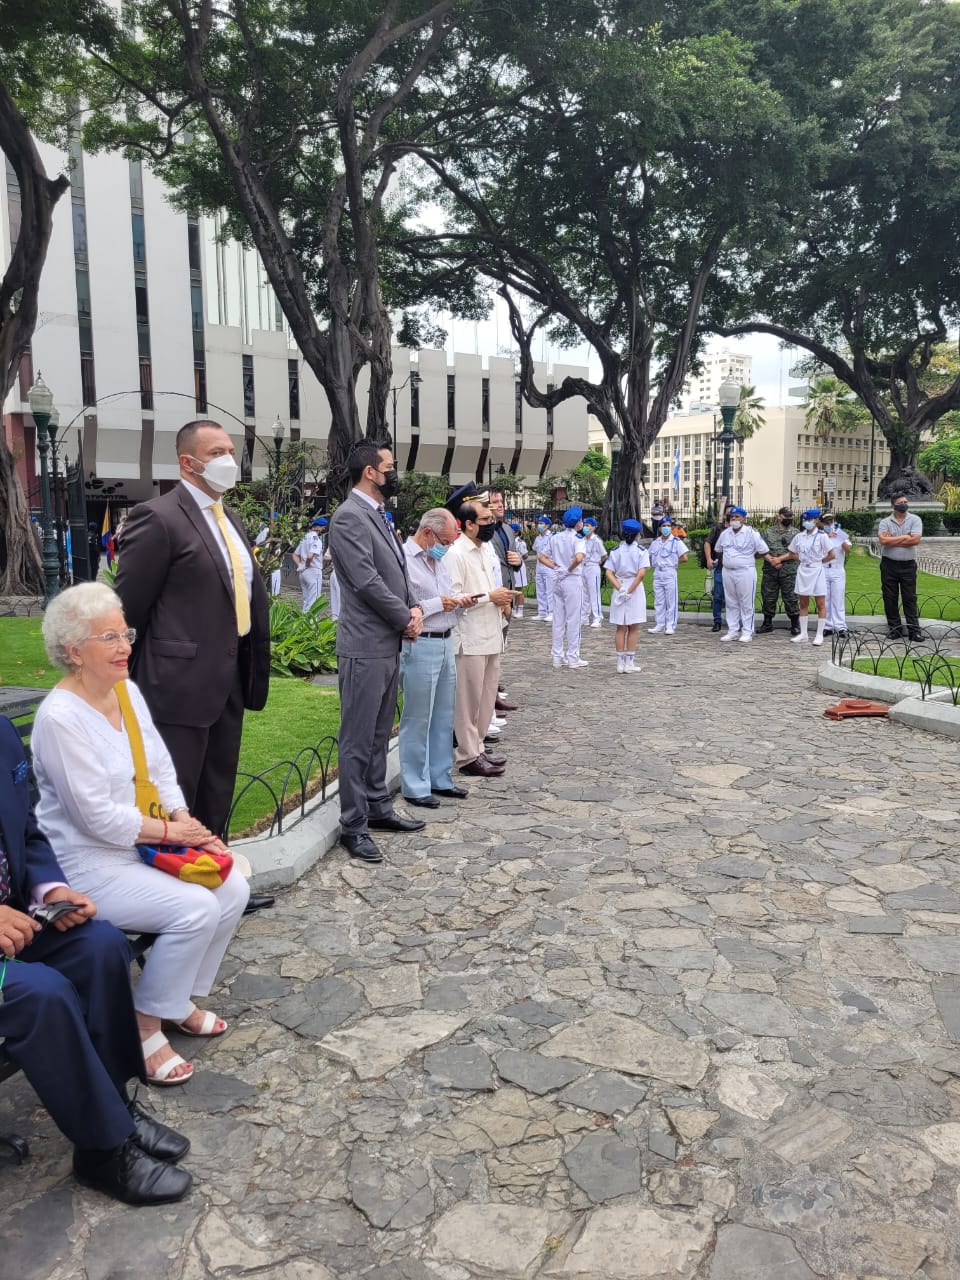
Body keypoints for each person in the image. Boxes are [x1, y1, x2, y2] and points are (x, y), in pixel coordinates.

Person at [30, 583, 250, 1088]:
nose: (125, 645)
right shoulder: (61, 719)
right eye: (109, 637)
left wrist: (185, 823)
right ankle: (144, 1022)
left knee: (232, 884)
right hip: (84, 863)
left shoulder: (123, 691)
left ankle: (173, 1001)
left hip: (139, 845)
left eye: (125, 632)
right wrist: (175, 832)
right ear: (74, 650)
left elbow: (159, 764)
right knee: (193, 909)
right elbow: (96, 819)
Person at [0, 716, 193, 1205]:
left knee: (101, 945)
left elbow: (26, 831)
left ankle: (114, 1107)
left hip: (15, 918)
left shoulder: (0, 732)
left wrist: (51, 888)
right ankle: (104, 1148)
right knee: (41, 994)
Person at [114, 420, 271, 839]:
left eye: (231, 451)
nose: (229, 461)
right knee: (175, 792)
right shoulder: (159, 517)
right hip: (176, 684)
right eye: (217, 453)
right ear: (188, 462)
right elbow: (128, 609)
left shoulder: (230, 519)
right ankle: (174, 882)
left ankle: (212, 874)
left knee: (217, 786)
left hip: (230, 677)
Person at [326, 442, 426, 864]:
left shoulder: (376, 514)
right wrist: (405, 616)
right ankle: (354, 823)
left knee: (381, 732)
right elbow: (366, 581)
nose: (393, 473)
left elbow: (395, 572)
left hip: (385, 641)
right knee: (357, 738)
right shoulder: (349, 516)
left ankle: (378, 806)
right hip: (366, 642)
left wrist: (414, 607)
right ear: (370, 472)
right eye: (389, 467)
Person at [398, 509, 474, 808]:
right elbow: (401, 604)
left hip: (445, 640)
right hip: (420, 642)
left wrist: (460, 603)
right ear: (427, 533)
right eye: (444, 539)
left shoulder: (439, 561)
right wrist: (435, 604)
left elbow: (447, 602)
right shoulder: (404, 559)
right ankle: (415, 784)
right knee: (418, 717)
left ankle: (440, 776)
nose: (447, 546)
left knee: (443, 715)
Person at [445, 500, 514, 777]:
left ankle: (480, 746)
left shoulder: (485, 550)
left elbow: (491, 584)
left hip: (491, 631)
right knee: (468, 701)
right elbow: (453, 598)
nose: (490, 523)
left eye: (491, 518)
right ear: (468, 524)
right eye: (484, 520)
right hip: (469, 637)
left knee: (487, 698)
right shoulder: (455, 554)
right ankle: (467, 755)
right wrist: (489, 598)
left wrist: (502, 598)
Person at [714, 508, 769, 643]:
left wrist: (750, 557)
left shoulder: (752, 533)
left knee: (746, 602)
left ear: (744, 519)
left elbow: (763, 550)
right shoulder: (725, 534)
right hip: (728, 571)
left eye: (737, 517)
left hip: (745, 570)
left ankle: (747, 631)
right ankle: (733, 630)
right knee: (731, 602)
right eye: (732, 517)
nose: (734, 519)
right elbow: (718, 549)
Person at [605, 519, 649, 673]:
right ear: (638, 534)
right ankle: (629, 662)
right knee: (633, 628)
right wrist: (630, 590)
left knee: (620, 628)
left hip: (620, 586)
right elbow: (641, 574)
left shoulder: (615, 551)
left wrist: (620, 588)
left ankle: (619, 663)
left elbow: (609, 572)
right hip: (634, 589)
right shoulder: (642, 551)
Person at [878, 494, 924, 640]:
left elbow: (915, 540)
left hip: (908, 565)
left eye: (905, 502)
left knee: (909, 598)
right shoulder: (885, 522)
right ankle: (895, 629)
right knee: (889, 597)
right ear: (893, 505)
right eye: (900, 502)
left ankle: (914, 631)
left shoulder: (915, 519)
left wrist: (892, 539)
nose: (903, 504)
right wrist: (905, 537)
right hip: (889, 564)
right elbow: (883, 541)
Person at [787, 508, 835, 645]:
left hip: (817, 570)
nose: (806, 522)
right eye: (805, 520)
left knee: (820, 603)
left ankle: (819, 634)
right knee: (803, 602)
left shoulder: (822, 536)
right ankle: (803, 633)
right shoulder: (799, 536)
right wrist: (802, 559)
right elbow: (791, 552)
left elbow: (832, 554)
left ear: (815, 521)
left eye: (809, 520)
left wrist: (819, 561)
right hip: (803, 570)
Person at [549, 507, 588, 669]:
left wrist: (556, 567)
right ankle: (573, 656)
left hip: (558, 578)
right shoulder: (578, 538)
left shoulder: (555, 537)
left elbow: (541, 556)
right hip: (571, 578)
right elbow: (579, 558)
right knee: (574, 618)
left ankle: (557, 656)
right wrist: (568, 569)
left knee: (558, 619)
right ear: (578, 522)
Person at [758, 507, 801, 636]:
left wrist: (779, 560)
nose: (788, 518)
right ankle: (767, 623)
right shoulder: (768, 532)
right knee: (768, 597)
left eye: (790, 516)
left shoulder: (796, 533)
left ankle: (795, 624)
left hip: (789, 570)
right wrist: (771, 560)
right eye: (785, 516)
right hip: (770, 570)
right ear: (779, 516)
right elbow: (761, 549)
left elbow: (796, 553)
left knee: (791, 597)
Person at [647, 518, 689, 635]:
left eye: (668, 525)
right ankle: (659, 624)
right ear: (660, 528)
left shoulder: (676, 541)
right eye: (664, 525)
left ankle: (670, 625)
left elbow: (684, 558)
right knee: (659, 600)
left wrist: (673, 563)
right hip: (657, 572)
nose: (666, 528)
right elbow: (649, 557)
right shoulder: (655, 543)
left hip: (669, 572)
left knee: (671, 600)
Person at [821, 512, 852, 636]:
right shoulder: (821, 535)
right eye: (826, 522)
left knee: (838, 598)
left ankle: (840, 626)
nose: (829, 524)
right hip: (824, 568)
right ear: (822, 524)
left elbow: (848, 549)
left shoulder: (841, 534)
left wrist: (840, 537)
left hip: (837, 568)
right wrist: (827, 536)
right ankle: (828, 626)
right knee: (826, 598)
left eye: (831, 521)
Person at [703, 507, 731, 632]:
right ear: (724, 515)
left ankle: (734, 622)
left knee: (734, 597)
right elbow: (708, 542)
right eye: (729, 513)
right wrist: (709, 559)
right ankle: (717, 621)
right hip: (720, 566)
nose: (732, 516)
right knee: (718, 595)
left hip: (735, 568)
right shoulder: (718, 529)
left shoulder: (742, 530)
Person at [293, 516, 328, 610]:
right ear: (319, 527)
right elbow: (310, 556)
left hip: (303, 572)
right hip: (313, 571)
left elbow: (295, 555)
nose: (323, 529)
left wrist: (300, 565)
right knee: (314, 601)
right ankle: (311, 623)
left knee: (306, 600)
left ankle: (303, 622)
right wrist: (307, 564)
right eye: (323, 527)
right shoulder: (316, 539)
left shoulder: (305, 537)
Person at [579, 517, 606, 627]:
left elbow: (604, 555)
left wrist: (598, 562)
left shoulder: (597, 540)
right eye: (584, 525)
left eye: (588, 525)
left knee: (594, 593)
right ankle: (584, 617)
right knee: (584, 594)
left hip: (593, 567)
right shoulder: (582, 540)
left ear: (593, 527)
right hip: (583, 567)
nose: (585, 528)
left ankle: (598, 617)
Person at [533, 516, 556, 620]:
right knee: (540, 589)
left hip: (549, 566)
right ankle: (542, 611)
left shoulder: (552, 537)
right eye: (539, 523)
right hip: (539, 567)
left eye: (542, 524)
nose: (540, 526)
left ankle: (551, 612)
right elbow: (535, 550)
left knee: (550, 590)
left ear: (547, 525)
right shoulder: (538, 538)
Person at [509, 520, 528, 619]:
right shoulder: (508, 541)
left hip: (519, 568)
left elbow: (525, 555)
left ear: (516, 532)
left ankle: (519, 610)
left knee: (519, 589)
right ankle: (512, 608)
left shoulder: (521, 543)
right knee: (511, 588)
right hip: (510, 567)